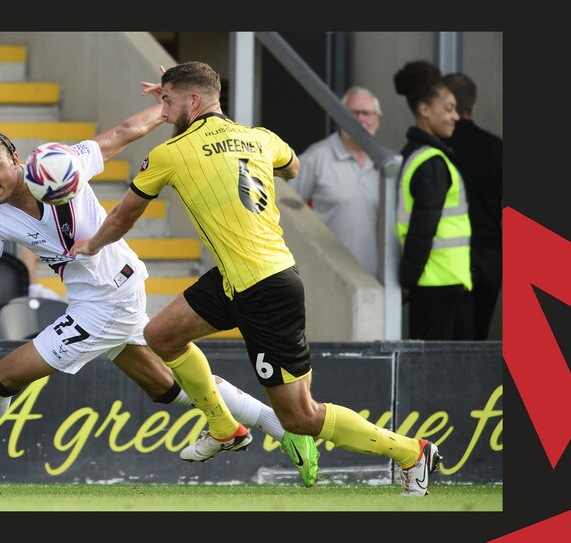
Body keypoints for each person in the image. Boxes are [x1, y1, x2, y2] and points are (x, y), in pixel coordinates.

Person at [0, 86, 321, 487]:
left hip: (110, 296)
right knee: (166, 388)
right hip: (90, 298)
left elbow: (121, 133)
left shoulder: (60, 163)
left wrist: (165, 108)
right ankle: (282, 427)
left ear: (15, 159)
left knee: (2, 378)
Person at [70, 61, 440, 496]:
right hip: (239, 276)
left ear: (193, 100)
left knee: (300, 416)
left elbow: (122, 216)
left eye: (167, 102)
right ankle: (223, 426)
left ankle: (411, 452)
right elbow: (293, 167)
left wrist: (90, 246)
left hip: (265, 289)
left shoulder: (172, 153)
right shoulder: (260, 137)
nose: (163, 113)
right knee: (162, 335)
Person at [393, 60, 473, 340]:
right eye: (448, 108)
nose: (455, 117)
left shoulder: (414, 154)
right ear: (424, 110)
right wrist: (407, 279)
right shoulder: (431, 162)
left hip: (438, 282)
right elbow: (422, 229)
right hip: (438, 282)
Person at [288, 86, 384, 278]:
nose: (360, 119)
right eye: (353, 113)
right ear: (339, 117)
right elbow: (286, 213)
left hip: (373, 279)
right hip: (327, 277)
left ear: (377, 120)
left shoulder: (384, 164)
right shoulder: (316, 158)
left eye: (366, 113)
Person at [440, 73, 503, 341]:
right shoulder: (496, 147)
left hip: (449, 258)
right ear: (473, 108)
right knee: (478, 340)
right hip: (490, 257)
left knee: (448, 341)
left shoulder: (438, 147)